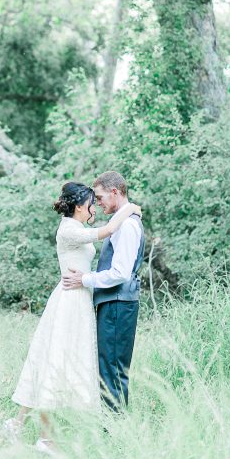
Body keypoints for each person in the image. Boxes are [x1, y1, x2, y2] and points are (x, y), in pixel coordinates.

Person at [3, 181, 140, 455]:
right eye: (92, 202)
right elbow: (109, 229)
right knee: (54, 360)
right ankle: (44, 438)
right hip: (69, 298)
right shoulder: (68, 229)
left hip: (80, 297)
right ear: (80, 206)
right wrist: (132, 208)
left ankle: (19, 425)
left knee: (56, 360)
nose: (95, 206)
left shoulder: (78, 228)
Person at [62, 170, 145, 411]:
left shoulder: (127, 225)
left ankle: (115, 433)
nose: (97, 203)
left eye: (99, 197)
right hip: (113, 302)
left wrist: (85, 279)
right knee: (108, 366)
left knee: (113, 369)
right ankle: (111, 429)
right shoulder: (120, 222)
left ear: (115, 192)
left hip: (119, 303)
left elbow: (120, 273)